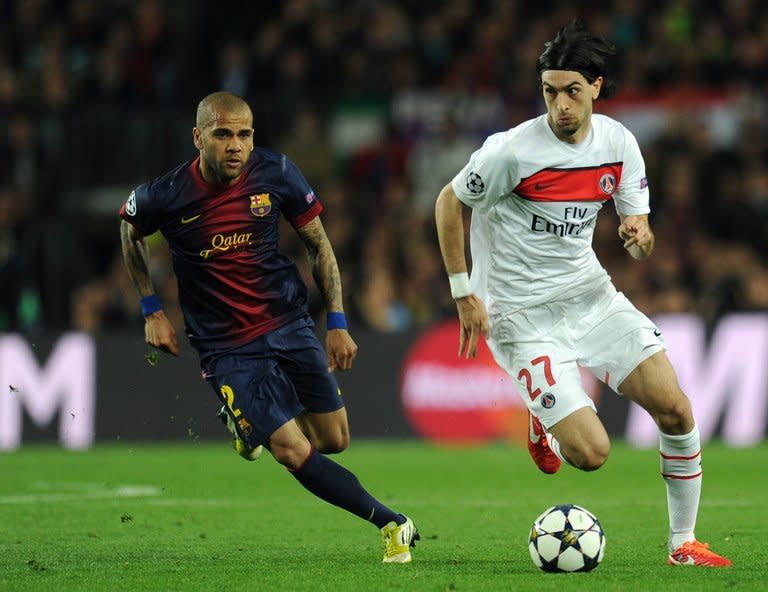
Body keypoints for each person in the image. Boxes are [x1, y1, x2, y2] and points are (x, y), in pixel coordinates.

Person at [434, 20, 731, 568]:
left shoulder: (619, 144)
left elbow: (639, 236)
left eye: (572, 90)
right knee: (592, 455)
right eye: (550, 91)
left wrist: (639, 237)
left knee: (676, 410)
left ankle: (683, 544)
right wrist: (462, 292)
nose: (560, 106)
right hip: (521, 316)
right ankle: (542, 416)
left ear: (596, 85)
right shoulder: (511, 153)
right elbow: (449, 202)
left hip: (590, 296)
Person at [119, 91, 418, 563]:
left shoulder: (275, 172)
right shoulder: (166, 194)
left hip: (288, 322)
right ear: (198, 138)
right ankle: (392, 523)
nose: (235, 145)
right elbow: (129, 231)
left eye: (244, 134)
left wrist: (337, 321)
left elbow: (319, 246)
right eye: (222, 135)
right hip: (225, 346)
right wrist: (151, 309)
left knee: (333, 441)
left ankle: (247, 422)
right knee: (290, 450)